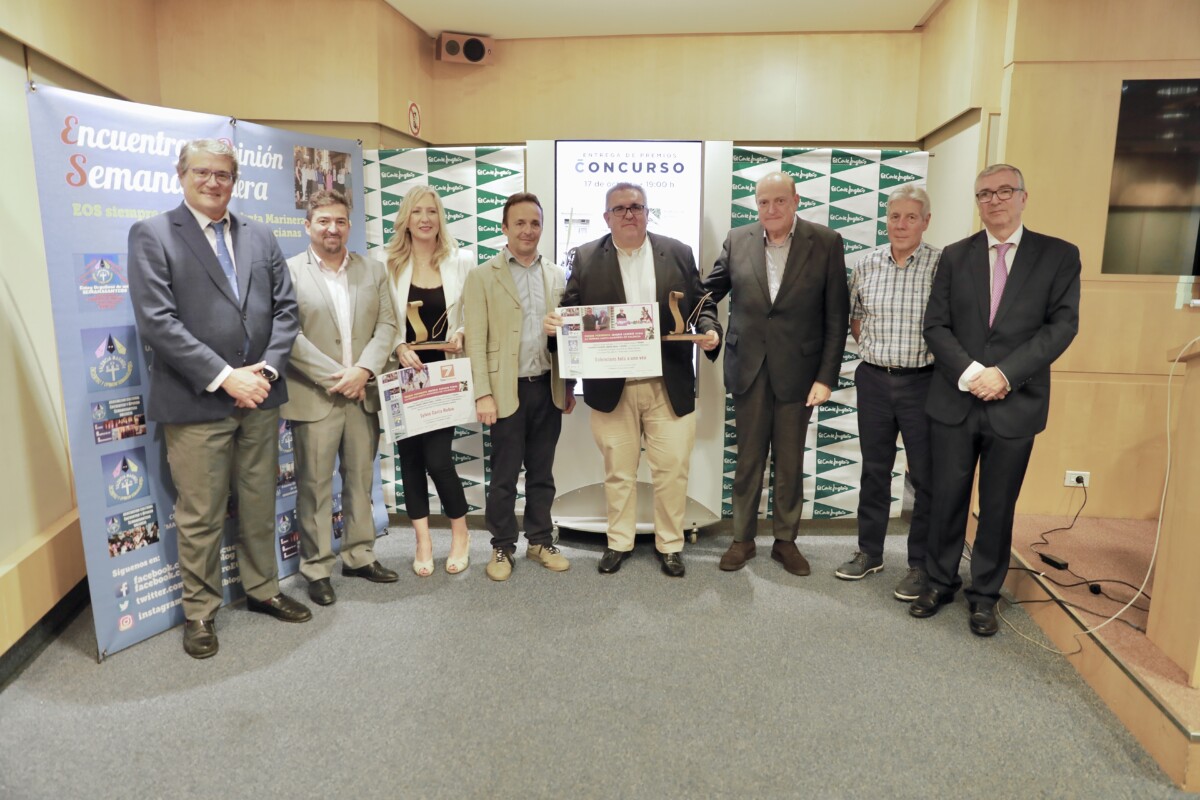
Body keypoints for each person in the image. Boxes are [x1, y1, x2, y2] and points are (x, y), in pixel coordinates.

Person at [128, 139, 310, 660]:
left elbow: (286, 311)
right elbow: (157, 323)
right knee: (201, 514)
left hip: (261, 396)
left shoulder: (260, 235)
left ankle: (263, 589)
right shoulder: (154, 234)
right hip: (197, 401)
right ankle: (201, 612)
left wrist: (266, 370)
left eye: (224, 175)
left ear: (235, 180)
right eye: (203, 173)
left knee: (258, 503)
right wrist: (227, 377)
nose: (214, 182)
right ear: (181, 174)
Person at [910, 164, 1080, 636]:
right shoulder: (955, 256)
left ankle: (984, 593)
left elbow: (1062, 327)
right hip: (955, 399)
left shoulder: (1059, 256)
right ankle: (940, 581)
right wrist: (971, 373)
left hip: (1016, 402)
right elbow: (935, 325)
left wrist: (1005, 374)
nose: (995, 200)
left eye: (1005, 191)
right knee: (946, 498)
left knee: (998, 505)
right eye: (984, 193)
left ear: (1024, 197)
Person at [544, 182, 721, 577]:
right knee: (618, 471)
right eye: (620, 208)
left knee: (672, 469)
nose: (629, 214)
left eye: (636, 207)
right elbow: (569, 316)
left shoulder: (677, 252)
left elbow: (700, 306)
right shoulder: (587, 258)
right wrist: (558, 329)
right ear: (606, 217)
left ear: (647, 212)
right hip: (612, 387)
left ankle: (670, 544)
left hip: (668, 383)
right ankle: (618, 542)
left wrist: (710, 332)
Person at [703, 171, 849, 576]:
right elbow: (707, 294)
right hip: (748, 367)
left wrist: (826, 377)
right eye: (763, 202)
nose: (771, 209)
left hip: (800, 372)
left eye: (779, 201)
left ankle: (785, 542)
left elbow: (837, 316)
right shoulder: (738, 239)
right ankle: (742, 538)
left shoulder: (825, 242)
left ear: (796, 200)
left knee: (789, 460)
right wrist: (709, 328)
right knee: (748, 459)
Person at [281, 189, 399, 607]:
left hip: (361, 394)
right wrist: (337, 377)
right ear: (307, 225)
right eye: (324, 221)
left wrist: (363, 371)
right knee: (314, 487)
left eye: (340, 221)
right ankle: (316, 567)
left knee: (360, 480)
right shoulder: (288, 271)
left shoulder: (373, 271)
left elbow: (387, 326)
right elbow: (285, 335)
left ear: (350, 224)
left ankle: (360, 555)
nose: (333, 228)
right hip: (315, 396)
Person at [834, 184, 940, 601]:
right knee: (875, 471)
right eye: (895, 216)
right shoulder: (867, 263)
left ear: (925, 222)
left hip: (924, 382)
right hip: (875, 380)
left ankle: (919, 565)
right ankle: (870, 552)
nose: (901, 225)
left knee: (925, 477)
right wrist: (880, 353)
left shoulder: (941, 265)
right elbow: (855, 318)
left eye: (911, 217)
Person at [464, 192, 575, 581]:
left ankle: (540, 540)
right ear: (505, 228)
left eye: (535, 223)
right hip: (504, 390)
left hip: (548, 386)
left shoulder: (558, 274)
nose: (528, 230)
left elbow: (569, 336)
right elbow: (476, 341)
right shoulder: (482, 275)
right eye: (520, 223)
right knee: (504, 474)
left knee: (543, 472)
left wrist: (570, 386)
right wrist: (482, 393)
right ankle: (501, 547)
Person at [386, 186, 473, 576]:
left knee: (438, 459)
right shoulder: (385, 263)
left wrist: (463, 332)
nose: (424, 218)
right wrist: (398, 344)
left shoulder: (461, 261)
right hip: (402, 375)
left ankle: (461, 533)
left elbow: (473, 311)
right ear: (405, 217)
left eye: (432, 212)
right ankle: (422, 540)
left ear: (441, 219)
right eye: (417, 211)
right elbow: (381, 319)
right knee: (410, 460)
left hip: (443, 374)